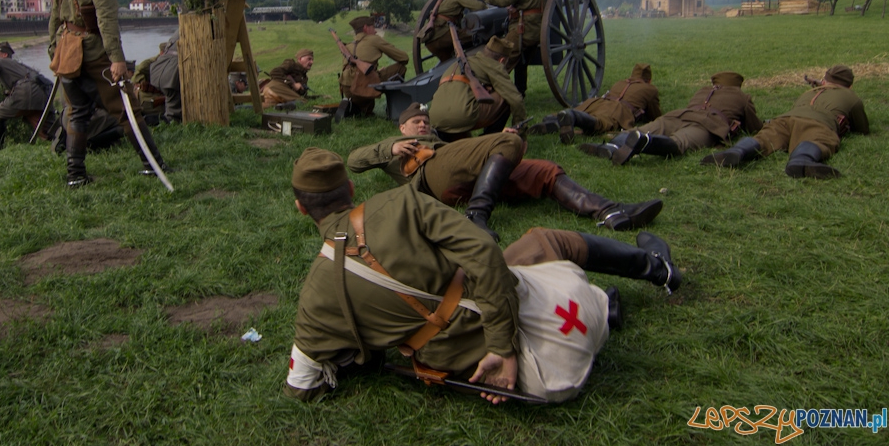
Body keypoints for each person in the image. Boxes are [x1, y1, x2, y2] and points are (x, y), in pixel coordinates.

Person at [284, 147, 682, 403]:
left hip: (455, 354)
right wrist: (503, 346)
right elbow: (483, 252)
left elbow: (301, 386)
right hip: (494, 304)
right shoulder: (402, 202)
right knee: (545, 239)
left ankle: (610, 308)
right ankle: (656, 268)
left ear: (302, 209)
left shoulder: (317, 295)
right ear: (351, 188)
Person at [348, 103, 663, 235]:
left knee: (545, 169)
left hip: (465, 178)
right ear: (402, 127)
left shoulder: (444, 140)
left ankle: (610, 211)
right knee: (506, 145)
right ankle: (477, 216)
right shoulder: (395, 144)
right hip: (432, 175)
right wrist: (389, 148)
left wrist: (500, 140)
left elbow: (474, 151)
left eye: (426, 122)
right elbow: (354, 160)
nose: (423, 124)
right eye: (417, 122)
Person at [48, 0, 169, 188]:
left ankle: (75, 174)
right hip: (94, 55)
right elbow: (106, 22)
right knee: (128, 110)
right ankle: (153, 164)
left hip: (66, 53)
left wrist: (53, 52)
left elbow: (54, 21)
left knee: (77, 112)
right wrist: (117, 60)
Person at [700, 65, 869, 178]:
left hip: (784, 119)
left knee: (764, 138)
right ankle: (801, 160)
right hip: (819, 123)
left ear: (824, 80)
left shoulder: (809, 93)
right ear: (849, 86)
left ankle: (738, 150)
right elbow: (862, 128)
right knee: (819, 140)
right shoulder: (851, 96)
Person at [580, 71, 762, 166]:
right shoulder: (741, 96)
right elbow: (754, 126)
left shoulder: (703, 91)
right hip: (708, 124)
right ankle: (643, 143)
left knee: (642, 129)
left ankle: (611, 146)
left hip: (677, 115)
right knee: (678, 143)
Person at [427, 36, 527, 141]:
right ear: (502, 60)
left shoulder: (457, 64)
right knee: (505, 97)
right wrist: (521, 134)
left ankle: (452, 138)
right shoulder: (493, 65)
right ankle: (490, 139)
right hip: (461, 116)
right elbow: (515, 99)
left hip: (434, 118)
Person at [545, 63, 662, 144]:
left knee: (585, 111)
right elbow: (655, 116)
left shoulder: (619, 82)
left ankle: (553, 119)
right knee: (600, 123)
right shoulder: (650, 89)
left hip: (597, 102)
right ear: (649, 80)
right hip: (617, 108)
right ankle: (572, 116)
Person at [477, 0, 545, 73]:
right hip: (536, 28)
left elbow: (504, 0)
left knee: (501, 56)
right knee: (520, 63)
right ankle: (520, 90)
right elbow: (529, 2)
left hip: (523, 29)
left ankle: (492, 87)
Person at [337, 15, 409, 117]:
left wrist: (376, 72)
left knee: (370, 77)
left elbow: (353, 71)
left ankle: (365, 109)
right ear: (366, 27)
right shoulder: (374, 39)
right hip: (362, 90)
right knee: (400, 68)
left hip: (349, 92)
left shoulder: (348, 46)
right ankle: (396, 109)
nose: (375, 31)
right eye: (373, 27)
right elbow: (404, 58)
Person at [421, 0, 487, 63]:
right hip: (442, 36)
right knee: (478, 37)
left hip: (432, 43)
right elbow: (480, 6)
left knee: (450, 67)